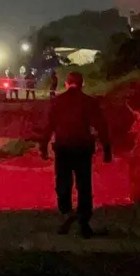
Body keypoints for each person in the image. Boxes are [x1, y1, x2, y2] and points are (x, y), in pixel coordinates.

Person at [40, 71, 112, 238]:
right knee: (84, 185)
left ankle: (66, 213)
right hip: (82, 148)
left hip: (63, 148)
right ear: (82, 84)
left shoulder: (57, 102)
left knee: (63, 183)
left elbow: (48, 126)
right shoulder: (89, 102)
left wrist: (43, 146)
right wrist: (107, 149)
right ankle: (84, 223)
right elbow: (101, 126)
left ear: (66, 83)